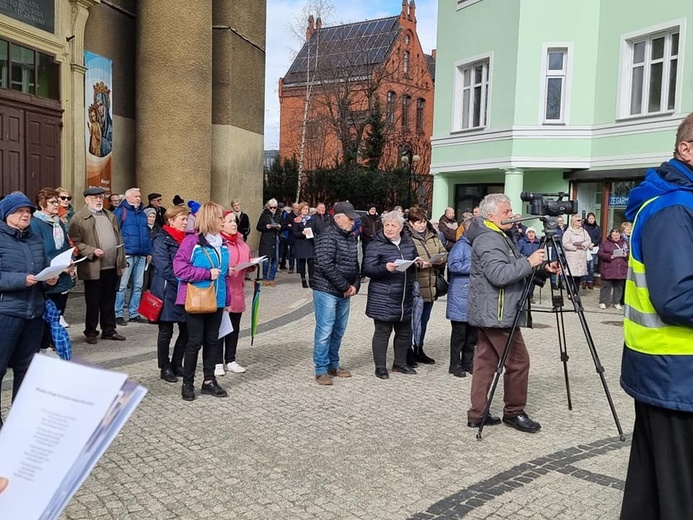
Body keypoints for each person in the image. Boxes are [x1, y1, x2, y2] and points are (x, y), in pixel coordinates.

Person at [618, 114, 693, 519]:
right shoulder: (674, 208)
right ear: (687, 149)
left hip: (668, 374)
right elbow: (678, 297)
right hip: (676, 375)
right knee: (679, 498)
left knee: (652, 493)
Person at [466, 193, 558, 433]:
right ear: (490, 216)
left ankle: (478, 413)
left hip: (495, 310)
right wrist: (529, 261)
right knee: (518, 362)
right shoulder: (488, 239)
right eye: (506, 212)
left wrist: (541, 269)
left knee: (485, 361)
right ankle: (514, 412)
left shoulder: (500, 235)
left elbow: (515, 268)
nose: (512, 216)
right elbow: (499, 275)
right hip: (497, 313)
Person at [0, 192, 58, 428]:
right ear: (6, 215)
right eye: (19, 211)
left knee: (26, 370)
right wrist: (20, 280)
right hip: (6, 313)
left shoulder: (34, 238)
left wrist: (50, 278)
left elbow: (42, 268)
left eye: (28, 211)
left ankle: (19, 421)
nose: (25, 215)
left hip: (33, 312)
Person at [173, 202, 233, 401]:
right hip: (197, 299)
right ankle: (187, 383)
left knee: (212, 341)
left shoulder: (222, 243)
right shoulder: (192, 242)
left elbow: (224, 276)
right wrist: (206, 273)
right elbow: (179, 269)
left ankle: (209, 381)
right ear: (209, 219)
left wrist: (227, 300)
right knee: (194, 342)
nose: (222, 221)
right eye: (219, 218)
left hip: (217, 299)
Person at [363, 211, 420, 379]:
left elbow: (412, 258)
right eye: (386, 225)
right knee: (382, 332)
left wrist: (418, 263)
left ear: (401, 228)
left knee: (403, 333)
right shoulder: (376, 244)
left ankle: (400, 363)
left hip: (404, 295)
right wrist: (384, 268)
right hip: (383, 296)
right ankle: (380, 367)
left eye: (393, 225)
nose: (389, 228)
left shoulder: (408, 243)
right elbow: (367, 269)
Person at [310, 201, 361, 385]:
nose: (353, 222)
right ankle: (321, 368)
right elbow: (325, 265)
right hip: (327, 290)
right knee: (325, 330)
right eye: (350, 219)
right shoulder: (327, 236)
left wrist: (355, 284)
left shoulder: (350, 237)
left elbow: (355, 264)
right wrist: (345, 286)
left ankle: (333, 364)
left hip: (344, 291)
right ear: (338, 218)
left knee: (339, 330)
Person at [69, 187, 127, 344]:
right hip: (93, 267)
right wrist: (92, 250)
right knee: (93, 302)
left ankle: (109, 330)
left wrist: (121, 262)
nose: (99, 200)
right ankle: (91, 331)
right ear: (86, 200)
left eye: (101, 197)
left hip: (111, 267)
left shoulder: (110, 216)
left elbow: (119, 239)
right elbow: (75, 242)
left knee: (109, 300)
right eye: (94, 198)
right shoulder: (78, 218)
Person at [30, 188, 75, 350]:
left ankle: (52, 343)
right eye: (53, 202)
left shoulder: (58, 222)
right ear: (42, 204)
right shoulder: (35, 223)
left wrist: (71, 261)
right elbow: (38, 250)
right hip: (49, 275)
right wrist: (56, 266)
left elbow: (65, 246)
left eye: (57, 201)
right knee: (46, 315)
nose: (57, 205)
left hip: (63, 275)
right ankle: (43, 346)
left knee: (58, 312)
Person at [151, 205, 190, 382]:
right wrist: (185, 279)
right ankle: (164, 366)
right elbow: (164, 267)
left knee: (187, 329)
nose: (185, 222)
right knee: (166, 330)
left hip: (185, 289)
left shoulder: (188, 239)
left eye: (186, 219)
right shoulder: (161, 239)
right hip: (168, 289)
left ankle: (177, 362)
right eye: (182, 219)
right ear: (171, 220)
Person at [408, 207, 447, 365]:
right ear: (411, 223)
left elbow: (443, 251)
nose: (422, 225)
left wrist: (441, 259)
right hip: (416, 285)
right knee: (412, 321)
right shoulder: (407, 238)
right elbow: (404, 257)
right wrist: (417, 264)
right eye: (418, 222)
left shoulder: (433, 236)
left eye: (423, 221)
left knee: (424, 320)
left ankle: (419, 348)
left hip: (430, 284)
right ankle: (407, 351)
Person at [216, 211, 253, 376]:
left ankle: (230, 359)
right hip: (222, 291)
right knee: (219, 329)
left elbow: (247, 257)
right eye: (230, 221)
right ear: (221, 224)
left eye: (235, 221)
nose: (234, 224)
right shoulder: (218, 242)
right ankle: (216, 362)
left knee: (234, 328)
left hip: (237, 290)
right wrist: (225, 270)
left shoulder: (241, 241)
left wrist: (251, 265)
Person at [114, 188, 152, 325]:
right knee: (122, 286)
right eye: (136, 196)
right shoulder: (121, 211)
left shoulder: (141, 213)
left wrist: (148, 251)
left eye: (139, 196)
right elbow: (115, 232)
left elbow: (146, 234)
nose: (138, 198)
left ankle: (134, 313)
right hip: (127, 254)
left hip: (141, 254)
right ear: (128, 198)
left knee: (138, 285)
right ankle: (117, 313)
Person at [446, 217, 476, 377]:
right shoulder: (460, 246)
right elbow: (453, 265)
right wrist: (475, 267)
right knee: (459, 335)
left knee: (472, 335)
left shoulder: (477, 245)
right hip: (460, 296)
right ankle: (454, 364)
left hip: (473, 296)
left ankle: (468, 362)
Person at [596, 228, 627, 310]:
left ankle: (616, 302)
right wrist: (610, 256)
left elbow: (630, 252)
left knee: (618, 287)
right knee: (606, 286)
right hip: (609, 267)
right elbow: (600, 253)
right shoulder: (605, 243)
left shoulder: (625, 243)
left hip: (621, 268)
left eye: (617, 235)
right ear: (611, 235)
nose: (616, 237)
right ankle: (603, 302)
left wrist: (626, 255)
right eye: (614, 235)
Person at [561, 215, 592, 293]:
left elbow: (588, 240)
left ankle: (576, 292)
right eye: (578, 220)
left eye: (580, 220)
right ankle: (569, 292)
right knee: (570, 274)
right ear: (574, 222)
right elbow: (565, 243)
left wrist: (583, 245)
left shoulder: (584, 232)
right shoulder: (568, 232)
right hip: (571, 256)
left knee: (578, 275)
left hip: (581, 256)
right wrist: (575, 247)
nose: (580, 222)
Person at [256, 198, 282, 286]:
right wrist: (266, 227)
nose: (273, 209)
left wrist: (279, 226)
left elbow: (284, 225)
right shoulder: (264, 215)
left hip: (276, 239)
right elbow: (258, 227)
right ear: (268, 207)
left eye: (275, 207)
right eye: (271, 208)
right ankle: (265, 278)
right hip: (266, 239)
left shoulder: (279, 214)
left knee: (276, 259)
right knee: (266, 260)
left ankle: (272, 278)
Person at [292, 202, 315, 289]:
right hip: (301, 243)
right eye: (304, 209)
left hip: (309, 242)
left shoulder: (311, 219)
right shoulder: (297, 220)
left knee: (311, 262)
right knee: (302, 262)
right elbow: (294, 233)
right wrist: (302, 233)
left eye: (307, 209)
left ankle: (311, 279)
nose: (306, 211)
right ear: (300, 210)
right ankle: (303, 279)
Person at [518, 227, 541, 303]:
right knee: (524, 281)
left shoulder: (539, 242)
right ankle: (523, 296)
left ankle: (530, 296)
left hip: (535, 264)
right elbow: (518, 252)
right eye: (529, 232)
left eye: (533, 232)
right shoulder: (522, 241)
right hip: (525, 263)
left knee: (532, 282)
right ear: (526, 234)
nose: (531, 234)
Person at [583, 212, 601, 290]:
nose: (591, 220)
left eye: (592, 218)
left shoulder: (597, 228)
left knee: (591, 266)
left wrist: (593, 244)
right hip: (585, 248)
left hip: (593, 248)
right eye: (589, 218)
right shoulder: (584, 227)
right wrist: (587, 244)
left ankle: (590, 281)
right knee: (584, 266)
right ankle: (583, 281)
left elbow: (599, 238)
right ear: (587, 219)